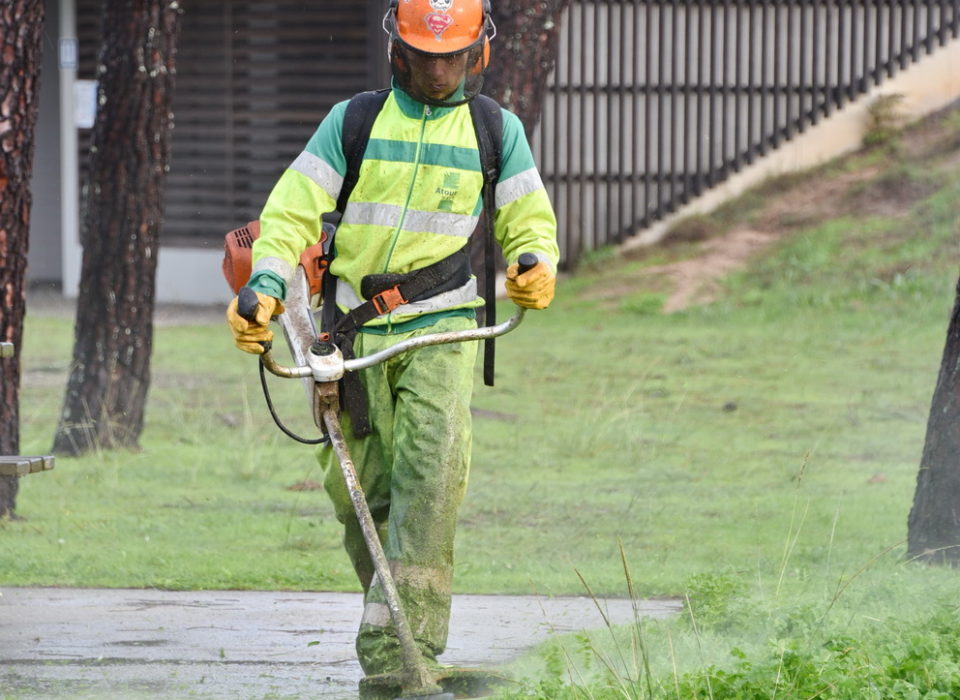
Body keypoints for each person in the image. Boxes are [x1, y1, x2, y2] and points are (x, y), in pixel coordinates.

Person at [226, 0, 559, 687]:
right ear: (398, 52)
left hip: (444, 327)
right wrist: (262, 284)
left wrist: (535, 263)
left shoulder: (497, 131)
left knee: (429, 482)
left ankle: (406, 665)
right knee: (363, 497)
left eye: (452, 57)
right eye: (426, 56)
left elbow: (528, 219)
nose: (439, 72)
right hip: (348, 335)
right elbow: (288, 212)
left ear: (479, 54)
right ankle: (395, 648)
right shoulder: (353, 122)